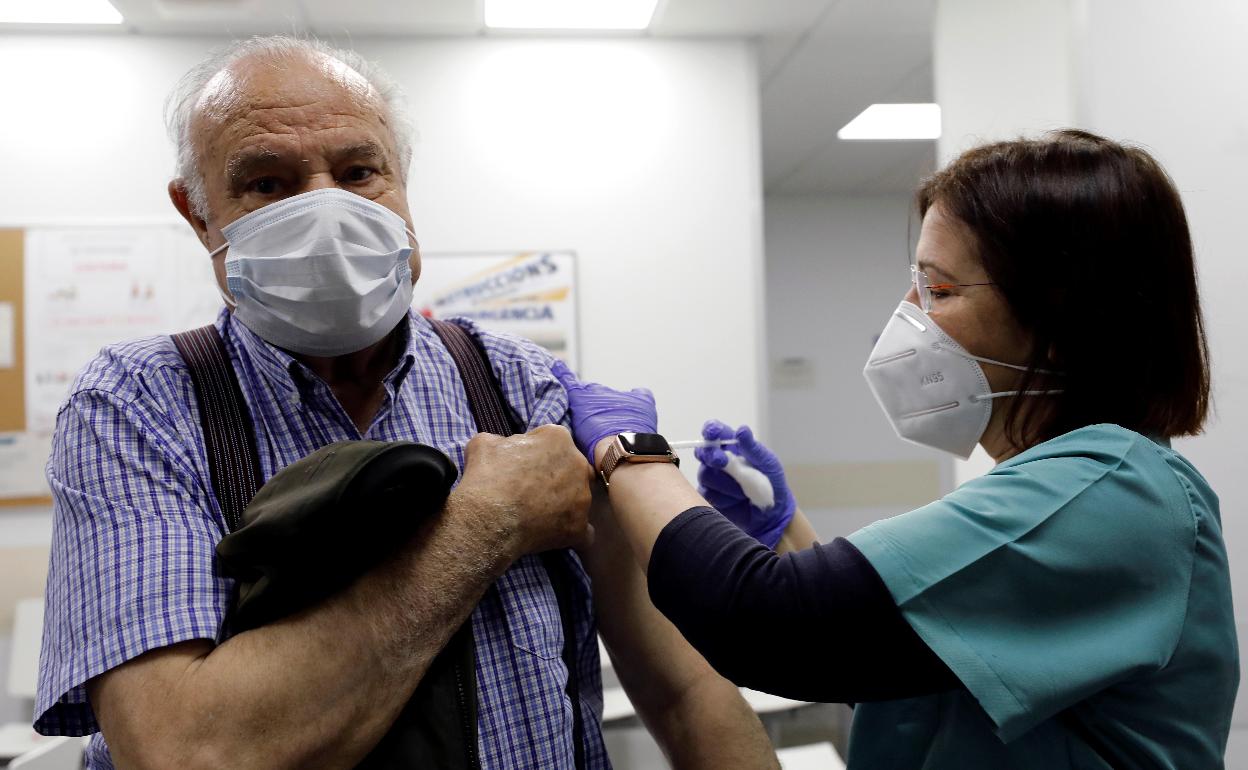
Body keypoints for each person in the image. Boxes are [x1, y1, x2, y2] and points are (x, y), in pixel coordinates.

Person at [34, 36, 777, 769]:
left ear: (403, 179)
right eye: (268, 184)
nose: (326, 212)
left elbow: (683, 690)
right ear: (199, 215)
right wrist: (488, 524)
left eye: (360, 171)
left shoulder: (518, 385)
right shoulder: (140, 406)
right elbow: (186, 752)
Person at [553, 130, 1239, 768]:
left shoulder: (1108, 495)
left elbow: (760, 623)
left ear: (1060, 319)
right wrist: (785, 531)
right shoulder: (1071, 486)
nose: (907, 315)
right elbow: (893, 673)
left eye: (938, 289)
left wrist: (632, 452)